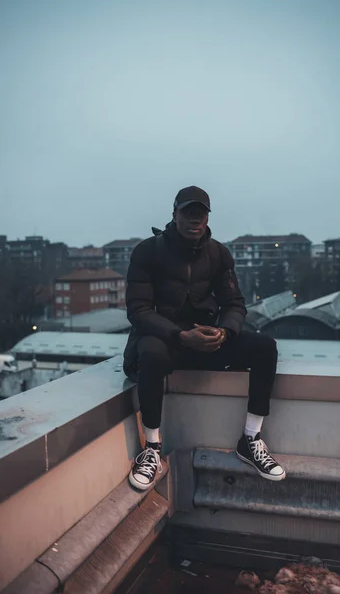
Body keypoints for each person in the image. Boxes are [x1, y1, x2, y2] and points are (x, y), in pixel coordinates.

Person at [124, 186, 286, 490]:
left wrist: (224, 332)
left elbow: (235, 304)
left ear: (207, 217)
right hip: (166, 340)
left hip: (208, 339)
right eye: (187, 212)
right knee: (150, 353)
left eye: (200, 213)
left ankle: (250, 439)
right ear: (174, 214)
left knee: (265, 347)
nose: (194, 219)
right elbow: (139, 310)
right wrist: (180, 335)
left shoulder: (218, 253)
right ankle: (152, 448)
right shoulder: (148, 251)